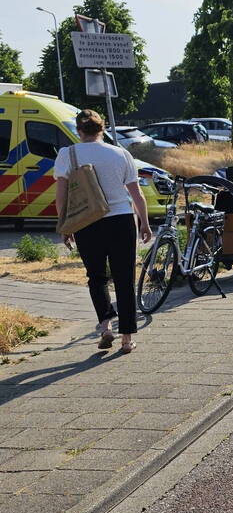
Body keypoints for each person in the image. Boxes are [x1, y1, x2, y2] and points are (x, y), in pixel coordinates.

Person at [55, 109, 151, 354]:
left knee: (96, 277)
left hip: (88, 222)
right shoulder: (121, 153)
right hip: (121, 220)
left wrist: (65, 225)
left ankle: (106, 325)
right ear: (103, 129)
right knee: (124, 278)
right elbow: (136, 194)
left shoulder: (68, 154)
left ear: (78, 130)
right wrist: (145, 223)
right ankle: (127, 339)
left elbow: (62, 195)